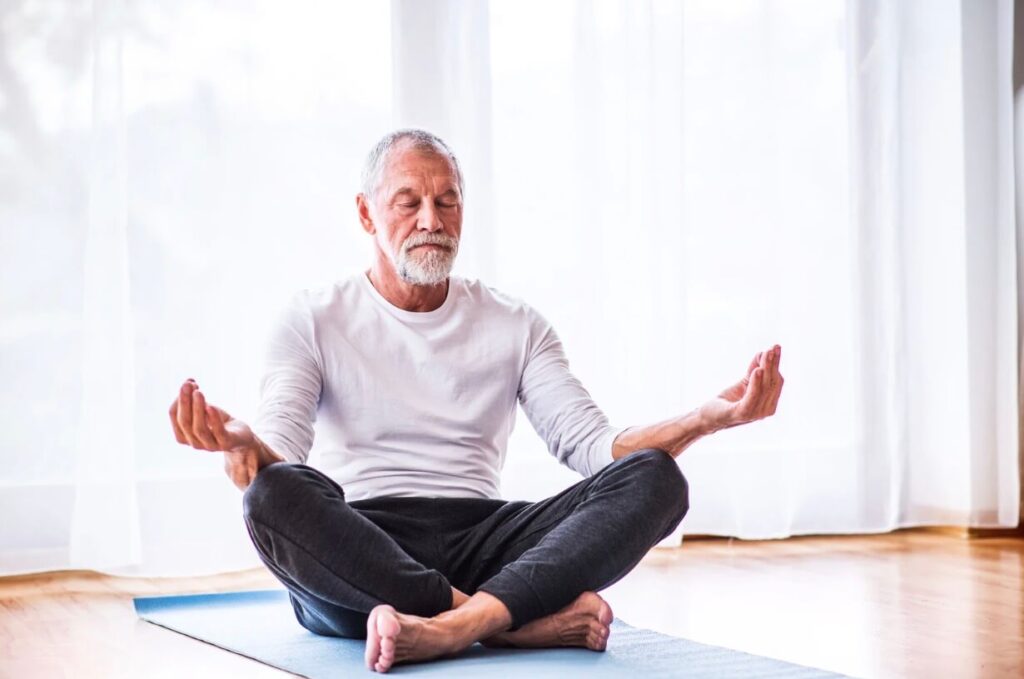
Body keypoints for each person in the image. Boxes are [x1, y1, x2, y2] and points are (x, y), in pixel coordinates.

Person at [168, 129, 784, 673]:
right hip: (364, 545)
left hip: (485, 539)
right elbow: (282, 451)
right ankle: (512, 626)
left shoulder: (516, 324)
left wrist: (710, 418)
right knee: (273, 493)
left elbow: (599, 449)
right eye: (408, 203)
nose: (431, 220)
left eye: (447, 200)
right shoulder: (312, 318)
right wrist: (243, 447)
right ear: (365, 214)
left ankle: (456, 626)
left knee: (656, 479)